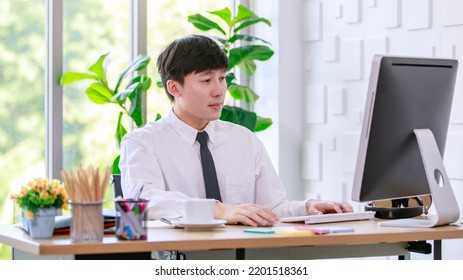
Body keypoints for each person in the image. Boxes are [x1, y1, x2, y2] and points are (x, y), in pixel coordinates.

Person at [119, 34, 352, 227]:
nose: (219, 90)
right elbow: (145, 201)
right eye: (206, 80)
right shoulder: (143, 142)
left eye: (222, 78)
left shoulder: (243, 139)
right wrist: (219, 210)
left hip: (244, 257)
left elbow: (272, 208)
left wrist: (308, 208)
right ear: (174, 87)